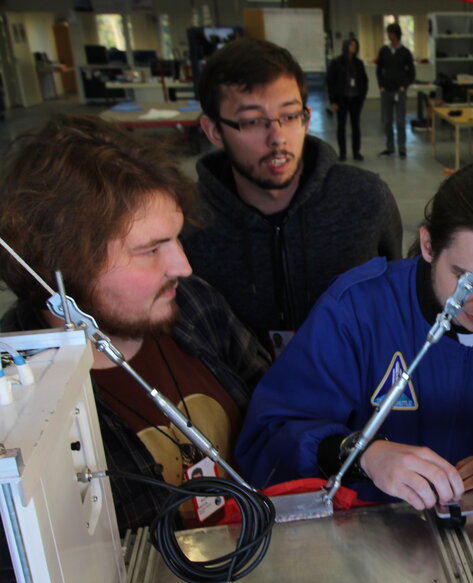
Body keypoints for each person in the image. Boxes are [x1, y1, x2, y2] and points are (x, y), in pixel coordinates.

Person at [0, 115, 271, 533]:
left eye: (176, 239)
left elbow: (274, 401)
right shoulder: (19, 400)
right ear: (63, 268)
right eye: (150, 250)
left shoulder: (194, 306)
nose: (182, 265)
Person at [236, 162, 473, 509]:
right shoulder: (356, 310)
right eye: (467, 279)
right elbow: (268, 435)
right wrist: (362, 454)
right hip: (369, 528)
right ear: (428, 245)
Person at [187, 37, 403, 352]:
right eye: (251, 122)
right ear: (213, 131)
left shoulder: (367, 199)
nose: (278, 138)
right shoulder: (189, 226)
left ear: (306, 117)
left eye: (289, 116)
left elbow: (398, 305)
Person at [376, 23, 415, 158]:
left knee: (400, 121)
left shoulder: (405, 52)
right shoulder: (384, 51)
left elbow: (411, 73)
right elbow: (379, 70)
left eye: (391, 33)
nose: (389, 36)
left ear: (397, 34)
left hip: (400, 91)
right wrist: (381, 85)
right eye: (388, 33)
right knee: (387, 120)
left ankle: (402, 148)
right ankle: (390, 148)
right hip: (386, 90)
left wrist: (405, 86)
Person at [326, 37, 368, 161]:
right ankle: (342, 153)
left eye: (355, 46)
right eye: (351, 45)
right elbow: (330, 82)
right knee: (341, 126)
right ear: (346, 46)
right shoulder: (336, 63)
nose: (353, 48)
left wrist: (362, 96)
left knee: (356, 126)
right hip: (341, 100)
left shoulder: (358, 63)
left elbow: (364, 81)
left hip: (355, 99)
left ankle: (356, 152)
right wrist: (333, 100)